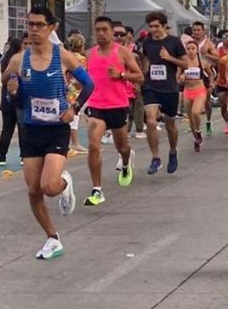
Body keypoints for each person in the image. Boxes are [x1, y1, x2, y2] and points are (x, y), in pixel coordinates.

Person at [2, 6, 94, 260]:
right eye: (30, 24)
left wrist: (74, 108)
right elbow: (13, 97)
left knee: (49, 187)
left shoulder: (63, 56)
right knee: (33, 189)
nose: (33, 29)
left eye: (39, 24)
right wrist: (12, 91)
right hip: (31, 129)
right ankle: (52, 238)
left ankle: (65, 184)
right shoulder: (19, 60)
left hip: (56, 129)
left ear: (51, 27)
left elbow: (89, 84)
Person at [83, 16, 142, 206]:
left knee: (122, 147)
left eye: (104, 30)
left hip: (117, 106)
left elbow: (139, 76)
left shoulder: (122, 52)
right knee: (93, 145)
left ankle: (126, 163)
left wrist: (121, 75)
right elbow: (86, 78)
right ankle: (97, 190)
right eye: (97, 30)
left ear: (111, 32)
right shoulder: (90, 54)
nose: (101, 33)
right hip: (96, 106)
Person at [138, 11, 188, 175]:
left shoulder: (174, 42)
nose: (153, 30)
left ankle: (173, 151)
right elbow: (146, 60)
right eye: (151, 26)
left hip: (169, 88)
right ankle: (155, 158)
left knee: (170, 125)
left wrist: (169, 58)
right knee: (151, 122)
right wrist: (142, 77)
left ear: (164, 25)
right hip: (151, 87)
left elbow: (186, 64)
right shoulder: (147, 42)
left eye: (156, 26)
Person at [0, 37, 24, 166]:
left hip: (6, 97)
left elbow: (2, 77)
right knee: (22, 128)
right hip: (17, 96)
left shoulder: (5, 59)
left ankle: (2, 156)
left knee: (7, 129)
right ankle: (24, 155)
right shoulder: (19, 60)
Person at [65, 33, 89, 155]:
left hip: (67, 86)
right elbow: (83, 75)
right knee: (75, 115)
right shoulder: (81, 59)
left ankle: (70, 141)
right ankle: (74, 142)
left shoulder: (66, 56)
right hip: (75, 88)